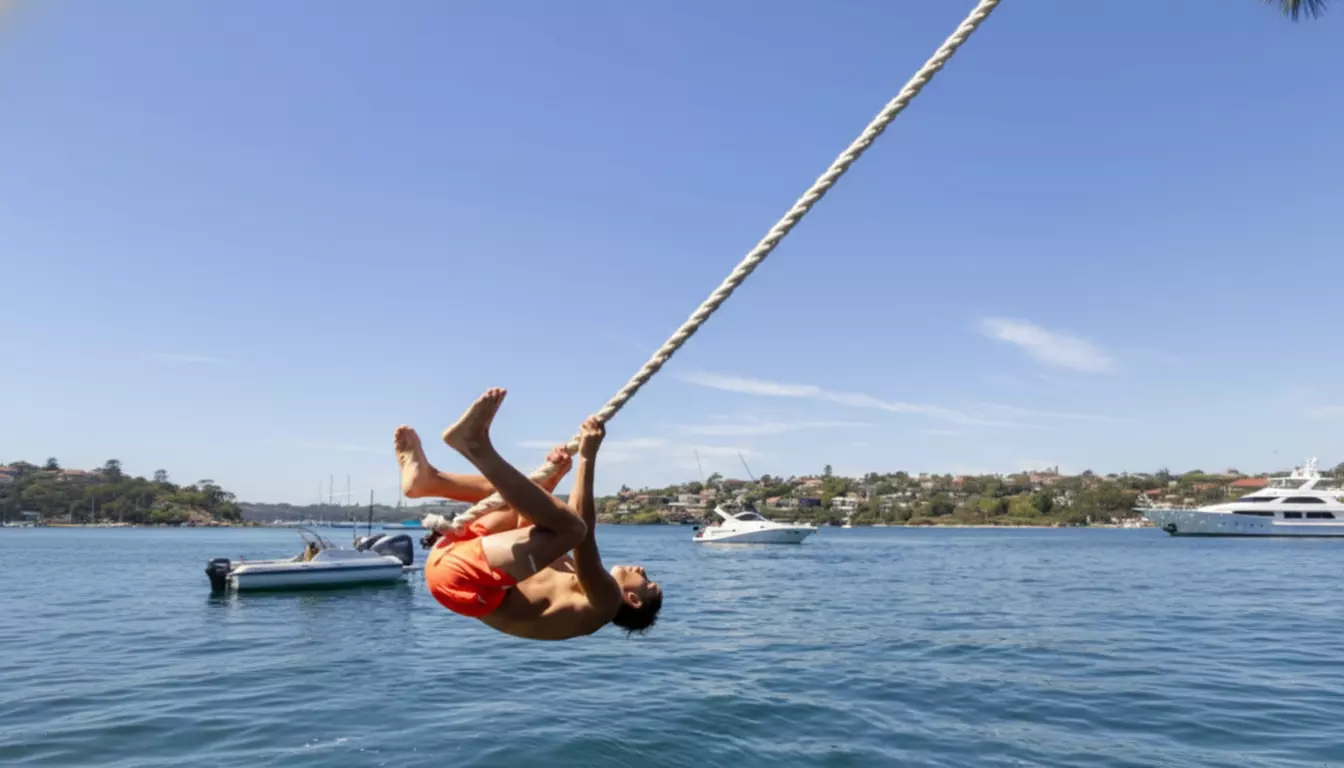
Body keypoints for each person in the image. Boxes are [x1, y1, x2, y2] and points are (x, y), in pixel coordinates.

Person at [395, 388, 662, 640]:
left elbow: (583, 533)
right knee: (530, 498)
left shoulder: (606, 604)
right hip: (463, 562)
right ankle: (429, 481)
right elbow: (526, 526)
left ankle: (474, 444)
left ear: (634, 600)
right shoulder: (567, 573)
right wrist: (551, 479)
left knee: (574, 530)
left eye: (646, 582)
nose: (641, 569)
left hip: (464, 581)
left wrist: (587, 457)